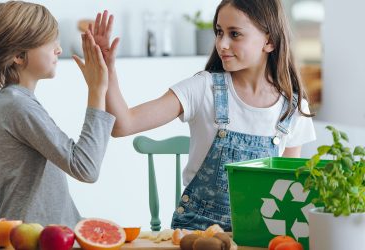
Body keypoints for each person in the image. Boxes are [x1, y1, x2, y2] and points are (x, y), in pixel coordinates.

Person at [91, 0, 316, 231]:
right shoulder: (202, 88)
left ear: (269, 41)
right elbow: (122, 125)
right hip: (195, 233)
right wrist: (107, 70)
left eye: (235, 34)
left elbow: (289, 192)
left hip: (257, 237)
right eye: (219, 32)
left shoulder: (293, 110)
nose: (222, 44)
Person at [0, 1, 115, 228]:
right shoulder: (17, 105)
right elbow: (86, 168)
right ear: (19, 56)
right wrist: (97, 89)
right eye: (50, 43)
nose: (58, 50)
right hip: (34, 239)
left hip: (51, 233)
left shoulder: (16, 101)